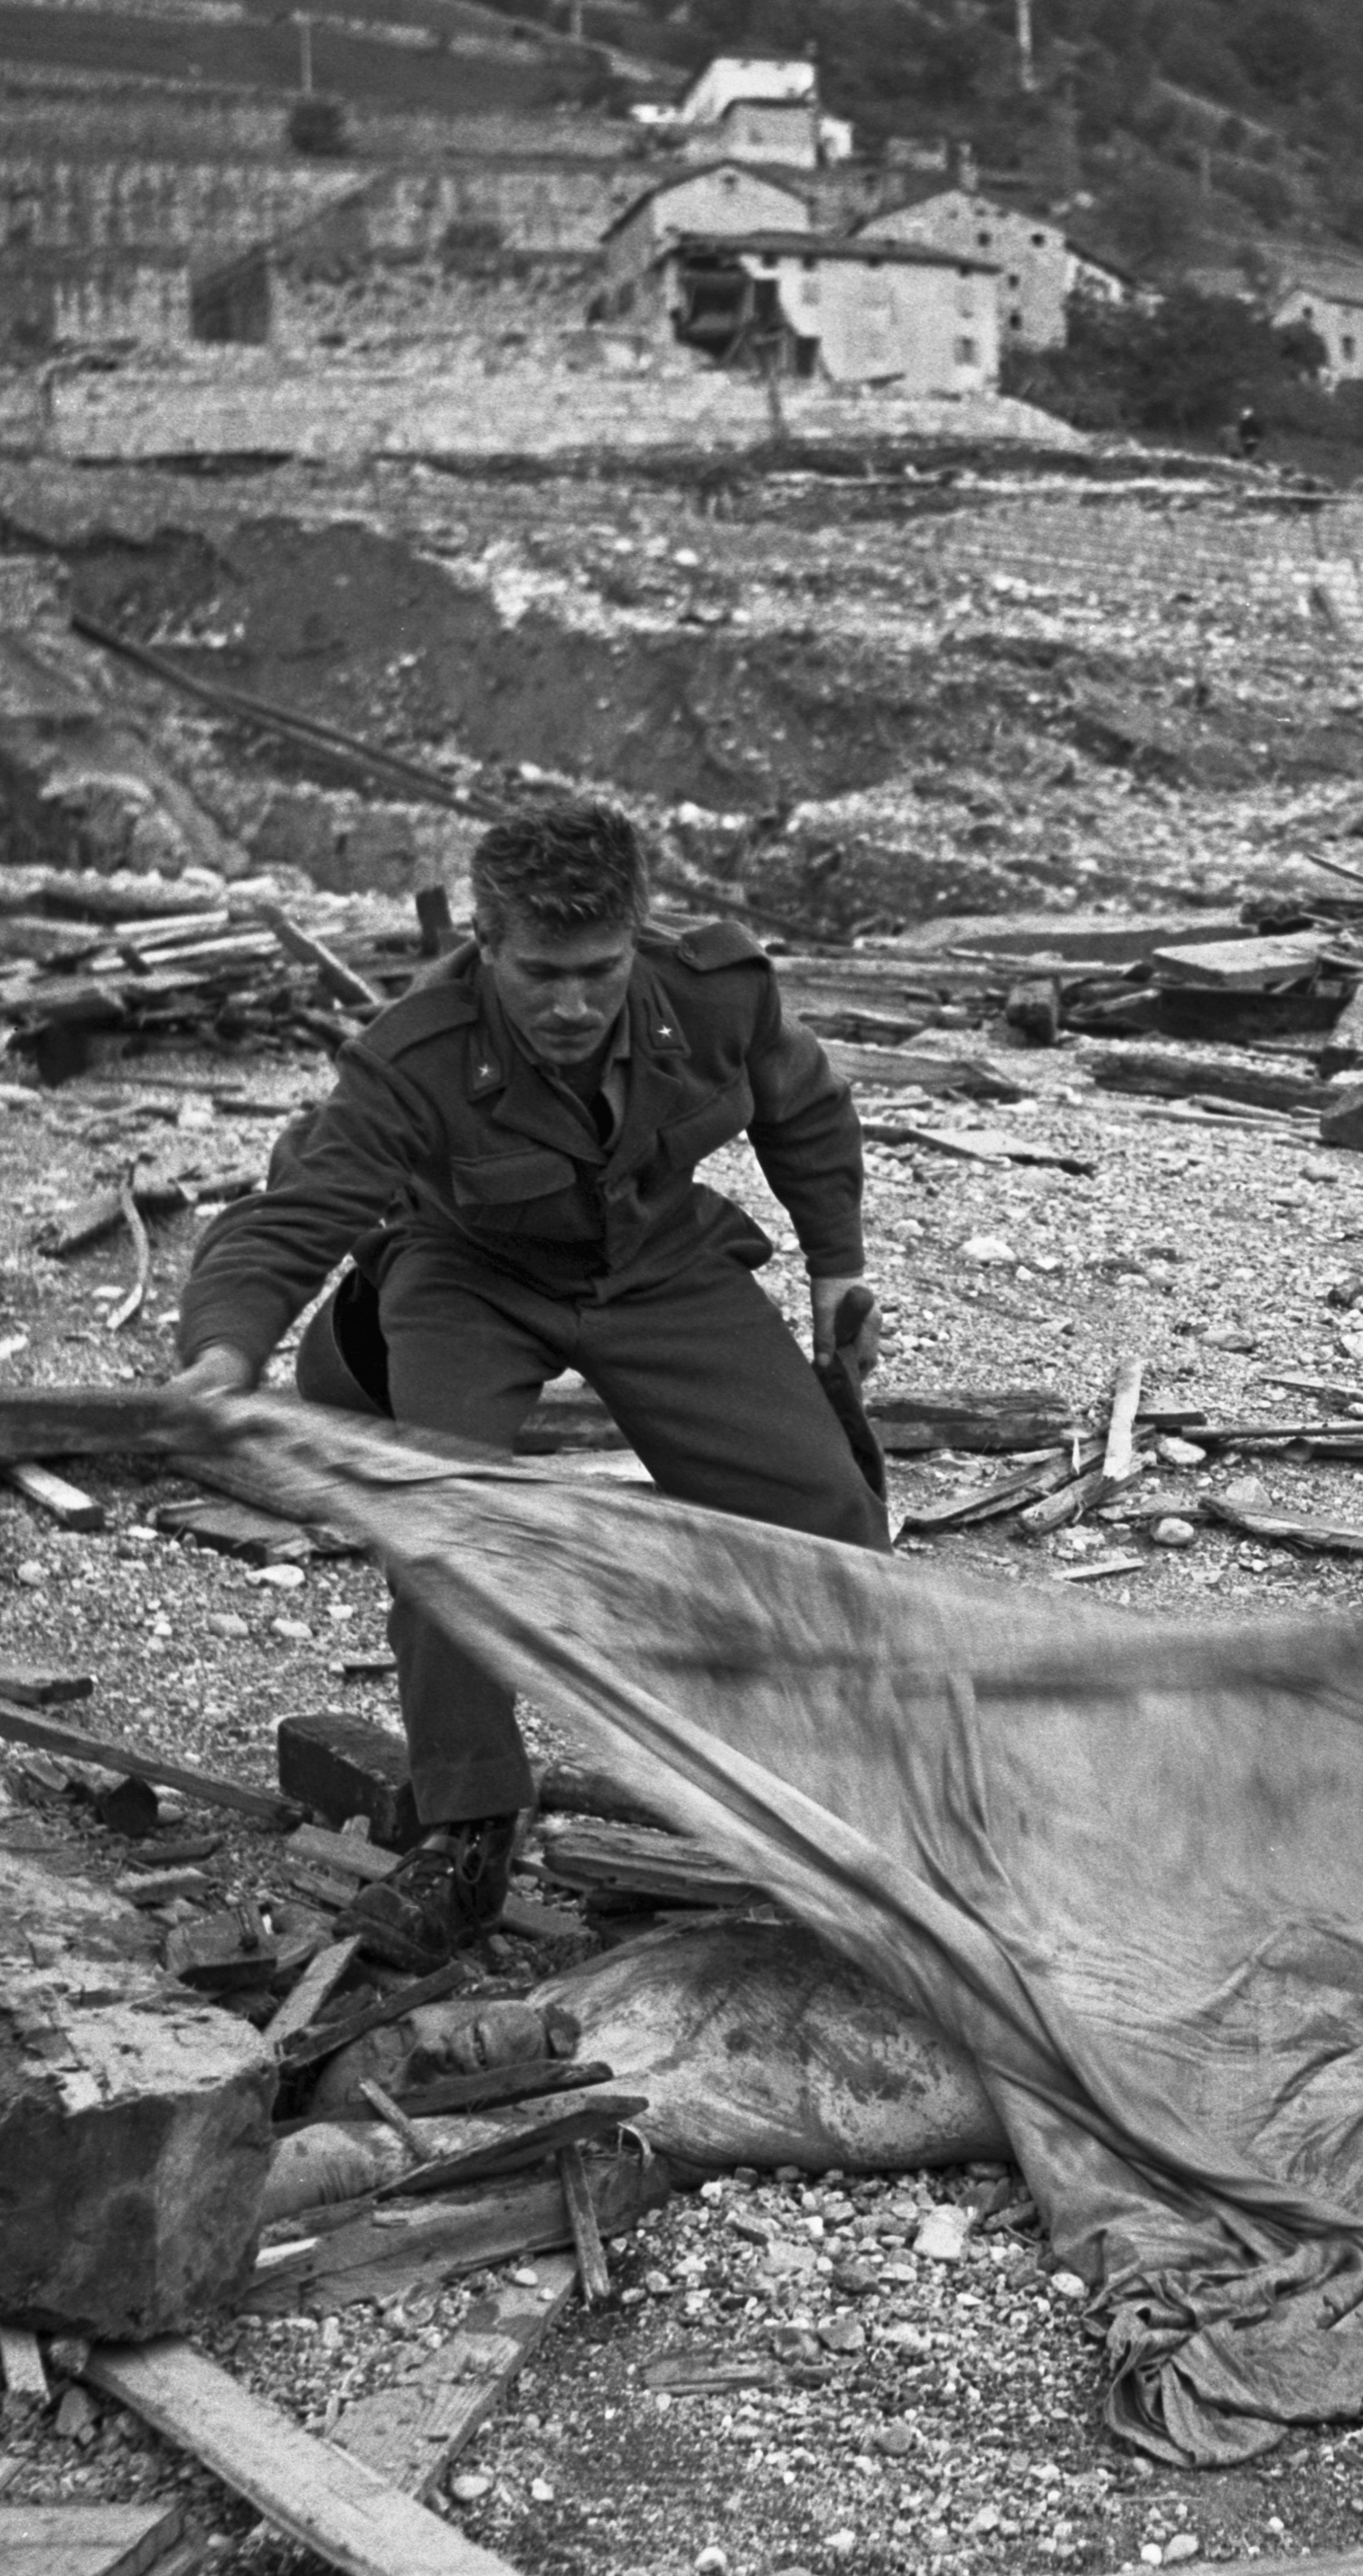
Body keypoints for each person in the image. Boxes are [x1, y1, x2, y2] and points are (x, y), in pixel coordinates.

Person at [171, 800, 886, 1960]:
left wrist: (835, 1270)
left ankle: (869, 1801)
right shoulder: (415, 1053)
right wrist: (222, 1354)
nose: (571, 1006)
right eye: (540, 975)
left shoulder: (716, 991)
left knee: (825, 1511)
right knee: (443, 1521)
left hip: (657, 1260)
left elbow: (802, 1107)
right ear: (486, 944)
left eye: (598, 972)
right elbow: (291, 1218)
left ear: (635, 939)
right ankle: (467, 1833)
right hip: (469, 1274)